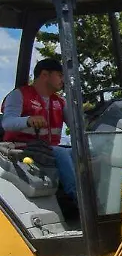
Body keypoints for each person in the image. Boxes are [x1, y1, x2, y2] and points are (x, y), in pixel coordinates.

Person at [2, 58, 74, 199]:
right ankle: (78, 197)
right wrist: (28, 120)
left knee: (83, 152)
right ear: (45, 75)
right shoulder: (19, 95)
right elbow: (7, 122)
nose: (63, 80)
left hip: (47, 150)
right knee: (61, 152)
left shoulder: (59, 102)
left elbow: (77, 126)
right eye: (60, 75)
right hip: (22, 150)